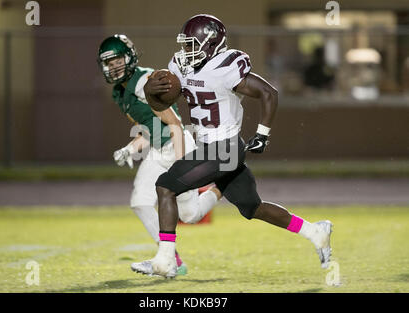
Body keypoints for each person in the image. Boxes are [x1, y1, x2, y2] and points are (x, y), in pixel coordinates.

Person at [131, 15, 333, 278]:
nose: (186, 51)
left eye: (192, 45)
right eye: (185, 45)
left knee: (165, 186)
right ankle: (317, 232)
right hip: (214, 148)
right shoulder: (182, 68)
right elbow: (161, 106)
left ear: (211, 44)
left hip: (224, 148)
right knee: (252, 208)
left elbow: (269, 93)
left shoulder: (224, 67)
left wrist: (263, 134)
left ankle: (166, 260)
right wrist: (149, 94)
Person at [97, 34, 222, 276]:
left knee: (190, 214)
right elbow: (149, 128)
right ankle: (171, 260)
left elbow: (174, 123)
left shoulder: (146, 81)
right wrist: (130, 149)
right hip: (157, 149)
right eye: (109, 63)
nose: (114, 67)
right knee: (140, 202)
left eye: (118, 61)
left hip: (178, 145)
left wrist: (181, 164)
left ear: (130, 57)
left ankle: (222, 186)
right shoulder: (119, 93)